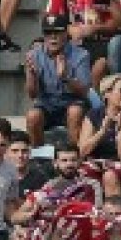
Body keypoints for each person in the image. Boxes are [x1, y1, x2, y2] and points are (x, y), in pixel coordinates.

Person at [25, 14, 92, 146]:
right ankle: (39, 158)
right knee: (33, 116)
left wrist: (65, 77)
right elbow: (32, 95)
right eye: (48, 33)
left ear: (66, 33)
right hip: (47, 105)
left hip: (73, 102)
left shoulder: (81, 55)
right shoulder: (34, 55)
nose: (53, 37)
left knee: (75, 112)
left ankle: (74, 155)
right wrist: (31, 75)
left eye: (57, 32)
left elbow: (84, 92)